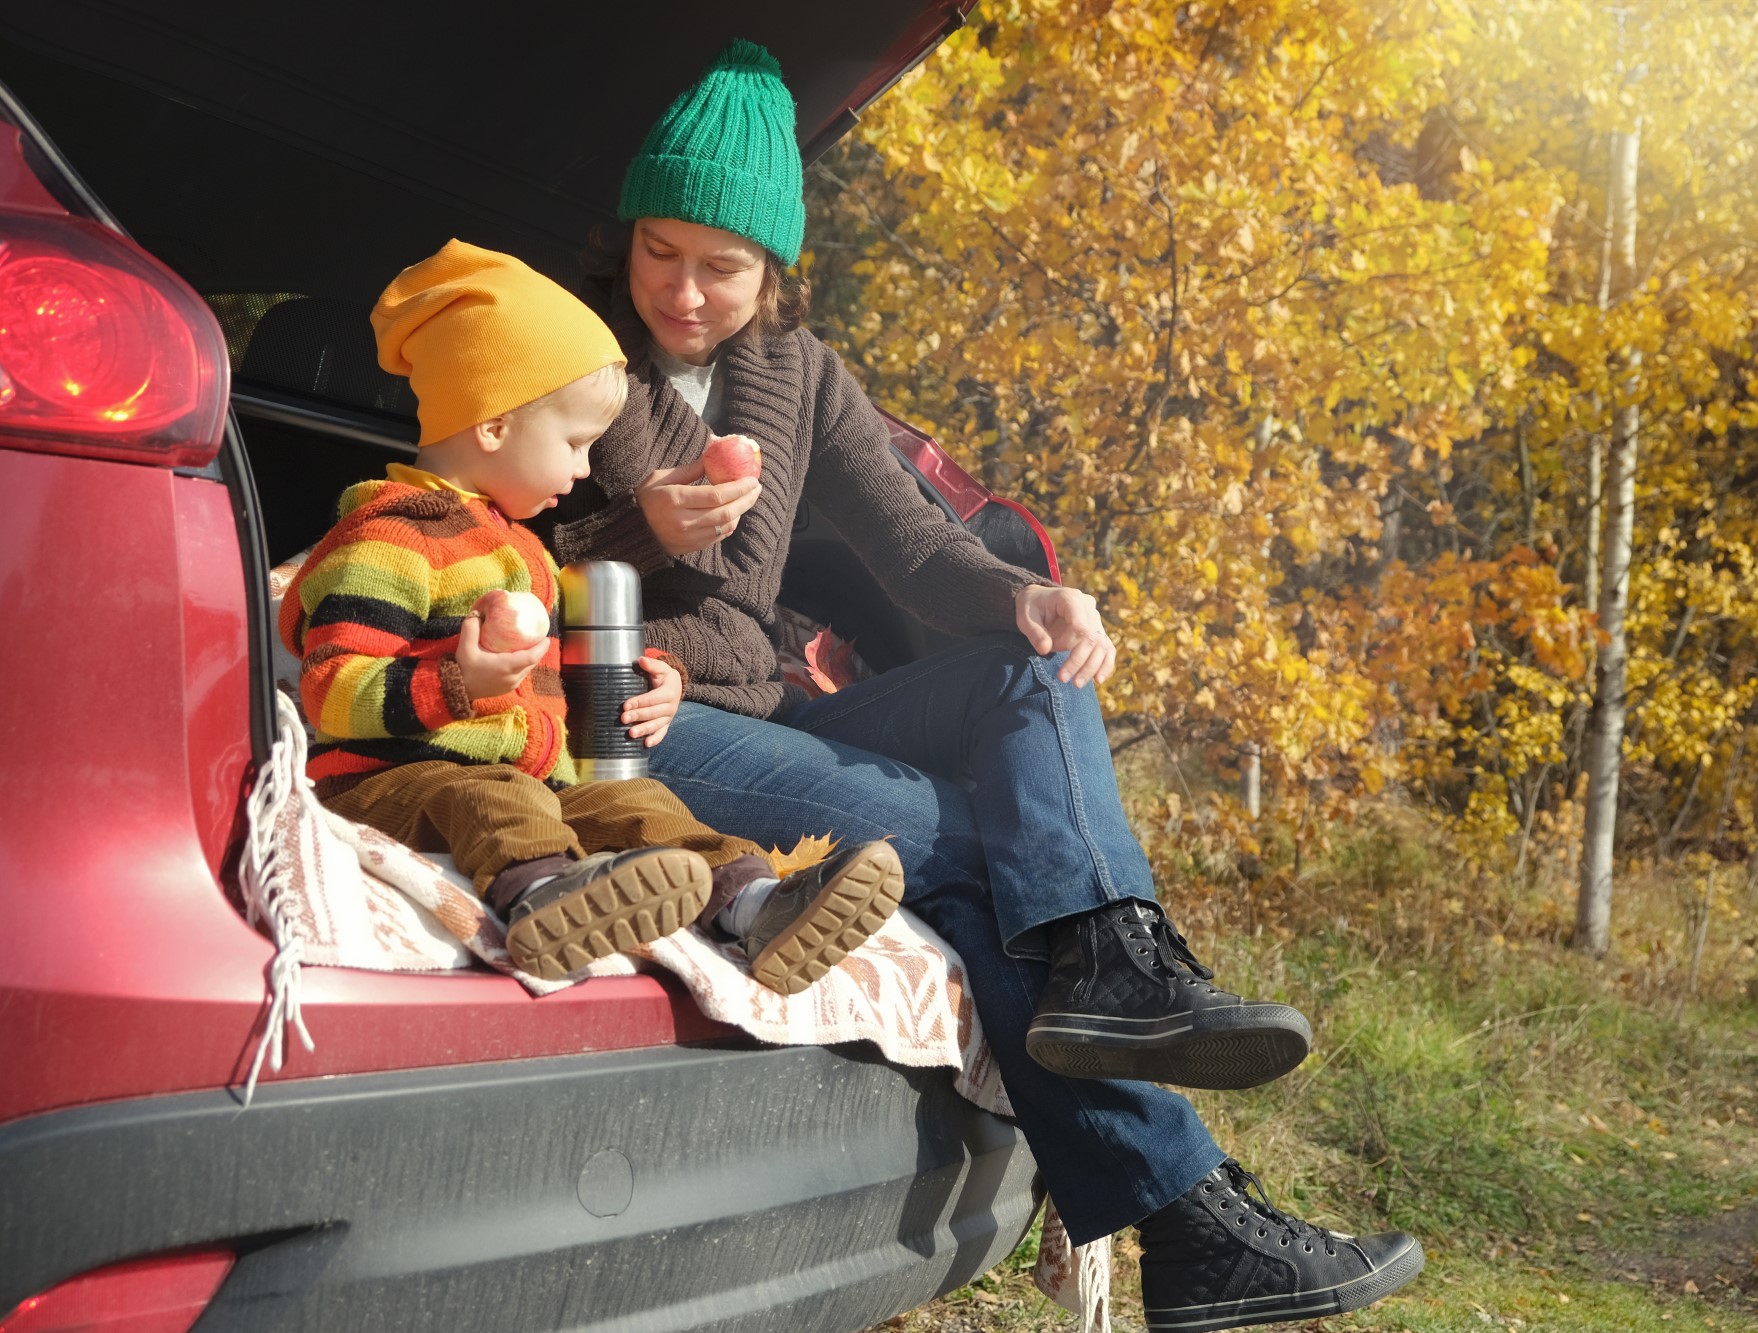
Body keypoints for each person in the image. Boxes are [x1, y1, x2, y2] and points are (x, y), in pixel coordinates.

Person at [541, 42, 1425, 1331]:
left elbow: (911, 543)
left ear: (772, 268)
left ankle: (1117, 970)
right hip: (656, 724)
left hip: (776, 712)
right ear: (627, 235)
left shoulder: (798, 376)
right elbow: (491, 539)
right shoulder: (578, 358)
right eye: (661, 250)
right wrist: (639, 540)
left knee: (1027, 669)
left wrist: (1025, 596)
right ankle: (1191, 1218)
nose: (683, 290)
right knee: (981, 852)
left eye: (721, 266)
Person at [279, 239, 904, 992]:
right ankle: (546, 899)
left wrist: (658, 671)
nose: (583, 469)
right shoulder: (389, 537)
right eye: (575, 443)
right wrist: (457, 680)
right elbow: (332, 688)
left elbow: (563, 670)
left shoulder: (526, 554)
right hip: (394, 779)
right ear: (494, 426)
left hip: (537, 775)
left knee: (635, 799)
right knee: (489, 794)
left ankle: (754, 903)